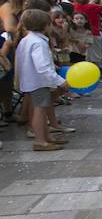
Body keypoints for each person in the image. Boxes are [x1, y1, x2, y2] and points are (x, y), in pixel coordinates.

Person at [15, 9, 68, 151]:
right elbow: (43, 67)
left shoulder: (26, 40)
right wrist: (59, 81)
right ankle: (40, 141)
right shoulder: (39, 43)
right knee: (40, 111)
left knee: (41, 110)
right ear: (45, 25)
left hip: (31, 81)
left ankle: (46, 137)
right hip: (39, 82)